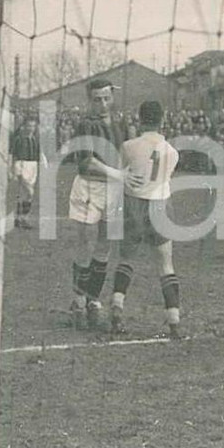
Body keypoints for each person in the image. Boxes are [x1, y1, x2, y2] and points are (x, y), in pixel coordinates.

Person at [67, 78, 143, 331]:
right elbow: (86, 162)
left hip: (113, 190)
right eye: (97, 99)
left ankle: (93, 300)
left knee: (104, 248)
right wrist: (119, 174)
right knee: (86, 245)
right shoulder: (85, 125)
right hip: (89, 187)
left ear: (112, 97)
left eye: (106, 98)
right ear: (90, 100)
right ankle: (78, 301)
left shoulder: (121, 123)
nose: (102, 104)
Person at [109, 100, 183, 338]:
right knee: (165, 264)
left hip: (134, 204)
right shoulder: (172, 152)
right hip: (160, 205)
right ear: (162, 120)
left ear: (140, 119)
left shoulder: (128, 146)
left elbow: (120, 175)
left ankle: (117, 309)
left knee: (126, 259)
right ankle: (174, 320)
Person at [9, 117, 46, 230]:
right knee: (29, 192)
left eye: (33, 126)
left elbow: (39, 153)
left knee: (26, 195)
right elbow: (12, 154)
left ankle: (21, 219)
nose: (31, 128)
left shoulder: (35, 139)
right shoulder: (19, 139)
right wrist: (11, 169)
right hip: (21, 165)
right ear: (24, 126)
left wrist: (43, 163)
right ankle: (21, 218)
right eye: (29, 126)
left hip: (32, 166)